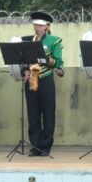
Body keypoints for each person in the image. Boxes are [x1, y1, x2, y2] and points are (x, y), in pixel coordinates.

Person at [24, 11, 63, 156]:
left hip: (46, 79)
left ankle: (45, 146)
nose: (38, 28)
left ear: (47, 26)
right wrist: (25, 70)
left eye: (41, 25)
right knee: (33, 114)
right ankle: (36, 145)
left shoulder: (54, 40)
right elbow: (24, 59)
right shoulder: (29, 41)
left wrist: (45, 58)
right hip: (31, 79)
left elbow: (58, 62)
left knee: (48, 114)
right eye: (36, 25)